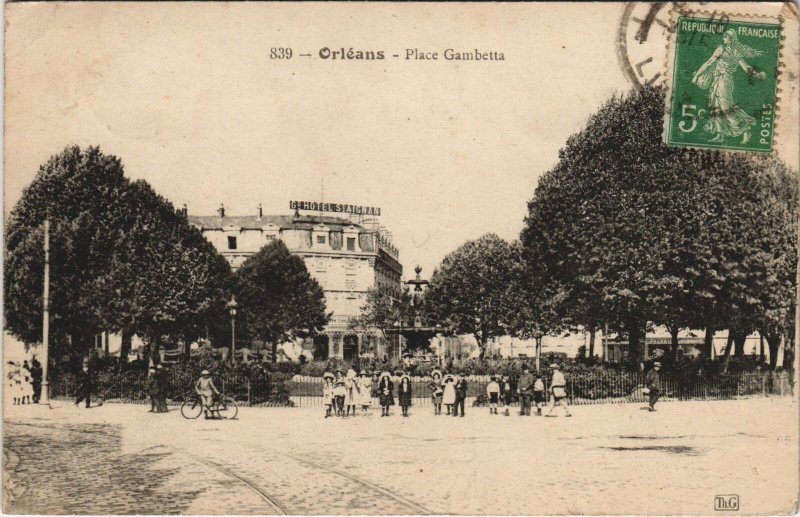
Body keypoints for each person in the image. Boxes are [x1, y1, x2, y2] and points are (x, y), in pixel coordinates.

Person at [691, 28, 767, 145]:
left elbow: (708, 63)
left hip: (723, 80)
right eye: (724, 36)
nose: (724, 39)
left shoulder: (721, 50)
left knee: (725, 107)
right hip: (720, 80)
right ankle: (720, 134)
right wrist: (757, 74)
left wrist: (696, 75)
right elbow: (747, 68)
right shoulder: (736, 52)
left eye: (726, 37)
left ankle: (745, 129)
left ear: (731, 39)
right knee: (717, 106)